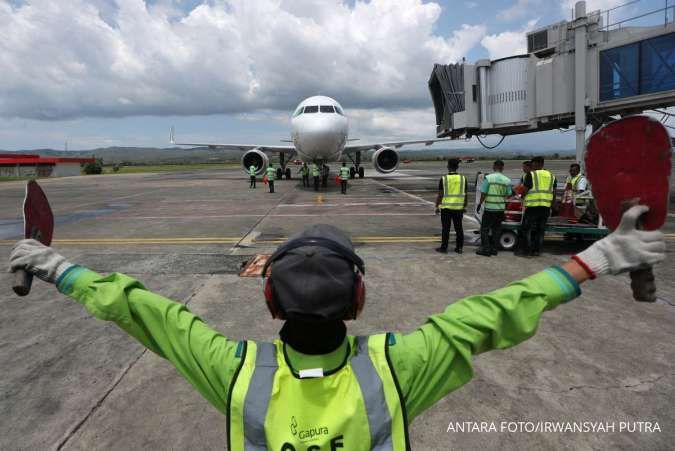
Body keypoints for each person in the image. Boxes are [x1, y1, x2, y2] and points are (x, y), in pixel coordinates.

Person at [8, 211, 665, 449]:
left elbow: (142, 309)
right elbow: (492, 312)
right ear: (358, 301)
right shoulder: (395, 368)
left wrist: (55, 263)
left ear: (268, 300)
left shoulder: (237, 373)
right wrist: (593, 259)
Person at [517, 156, 556, 257]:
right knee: (540, 230)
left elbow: (525, 190)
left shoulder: (532, 174)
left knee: (526, 229)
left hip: (533, 206)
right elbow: (554, 192)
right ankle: (536, 251)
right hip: (546, 207)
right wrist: (552, 205)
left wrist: (521, 196)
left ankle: (527, 251)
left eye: (533, 163)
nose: (532, 166)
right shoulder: (552, 175)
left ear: (538, 164)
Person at [476, 160, 513, 257]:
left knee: (484, 229)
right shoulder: (507, 180)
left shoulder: (488, 178)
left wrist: (480, 204)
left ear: (494, 166)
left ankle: (486, 249)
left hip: (489, 208)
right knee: (497, 230)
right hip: (500, 209)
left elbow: (483, 193)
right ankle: (494, 249)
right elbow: (508, 195)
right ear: (502, 168)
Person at [435, 158, 467, 254]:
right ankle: (459, 248)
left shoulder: (444, 179)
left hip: (446, 208)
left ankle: (444, 248)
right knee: (459, 228)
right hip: (458, 208)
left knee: (446, 229)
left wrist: (437, 206)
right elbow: (465, 194)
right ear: (457, 167)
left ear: (448, 167)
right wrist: (464, 206)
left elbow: (440, 194)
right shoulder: (463, 178)